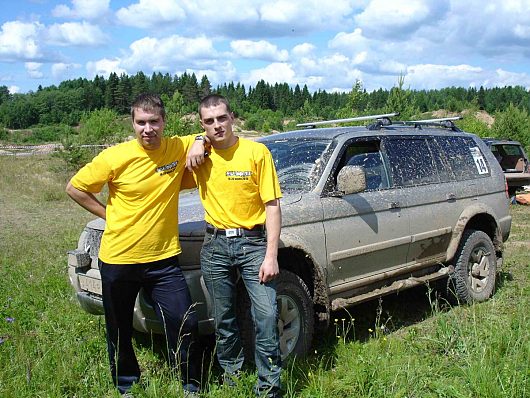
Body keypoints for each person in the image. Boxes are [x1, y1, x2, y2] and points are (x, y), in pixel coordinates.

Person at [66, 93, 207, 396]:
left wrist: (197, 139)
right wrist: (108, 214)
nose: (148, 129)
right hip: (118, 260)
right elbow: (75, 188)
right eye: (141, 122)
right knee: (119, 329)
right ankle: (126, 384)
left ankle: (190, 385)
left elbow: (207, 132)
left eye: (154, 122)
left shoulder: (175, 148)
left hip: (163, 260)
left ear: (163, 122)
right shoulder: (115, 156)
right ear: (132, 123)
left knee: (185, 321)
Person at [188, 94, 283, 397]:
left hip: (253, 244)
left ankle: (268, 386)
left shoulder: (256, 152)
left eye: (221, 118)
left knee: (267, 315)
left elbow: (272, 205)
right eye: (209, 121)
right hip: (215, 245)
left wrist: (271, 255)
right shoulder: (200, 156)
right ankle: (234, 377)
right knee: (223, 319)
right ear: (203, 125)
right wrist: (195, 142)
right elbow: (166, 145)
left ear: (232, 118)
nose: (217, 125)